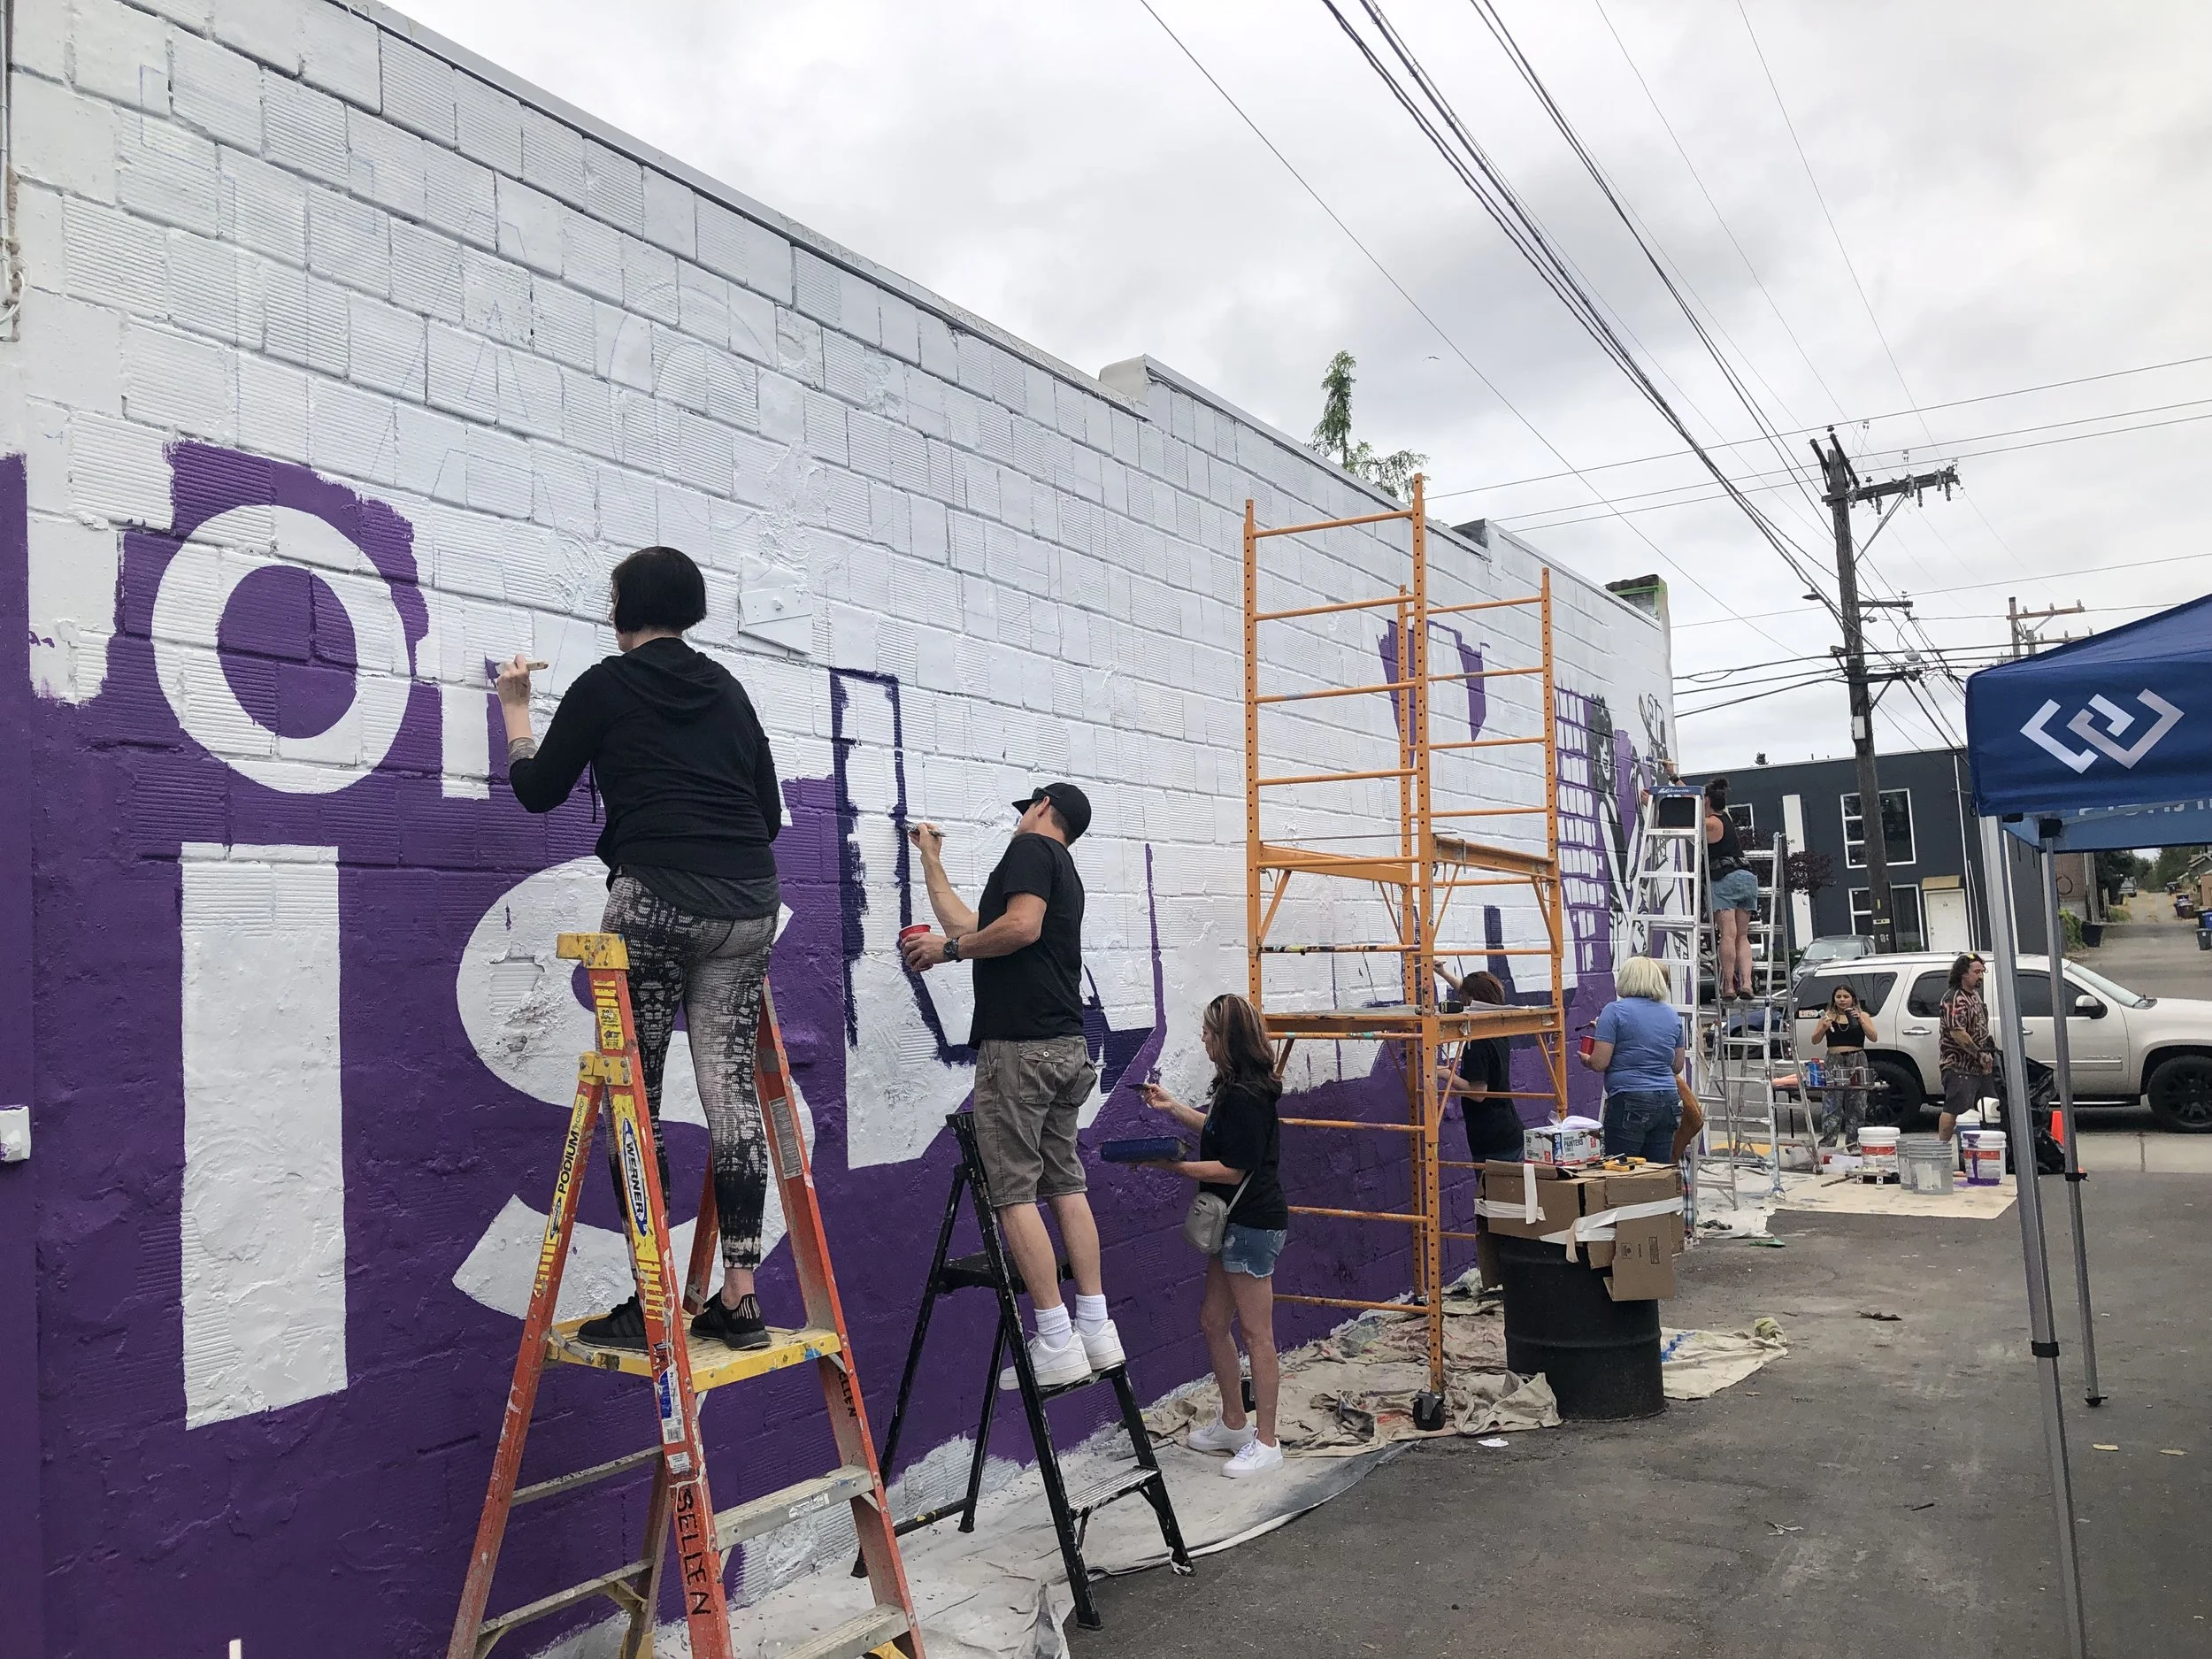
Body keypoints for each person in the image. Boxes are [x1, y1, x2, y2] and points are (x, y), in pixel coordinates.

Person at [496, 546, 783, 1353]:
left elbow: (539, 788)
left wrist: (516, 708)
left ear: (625, 607)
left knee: (637, 1099)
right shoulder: (729, 690)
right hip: (751, 906)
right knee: (731, 1096)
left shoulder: (606, 684)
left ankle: (652, 1299)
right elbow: (764, 815)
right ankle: (742, 1299)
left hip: (656, 901)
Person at [902, 784, 1123, 1390]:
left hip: (1020, 1050)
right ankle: (1096, 1329)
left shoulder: (1031, 848)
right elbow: (979, 927)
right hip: (1064, 1047)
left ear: (1043, 806)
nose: (1021, 817)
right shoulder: (1064, 869)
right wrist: (932, 861)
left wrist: (947, 951)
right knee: (1065, 1182)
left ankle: (1055, 1337)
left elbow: (1015, 928)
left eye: (1026, 807)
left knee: (1013, 1193)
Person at [1137, 994, 1289, 1480]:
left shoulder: (1245, 1095)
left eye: (1208, 1030)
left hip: (1251, 1222)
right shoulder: (1236, 1089)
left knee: (1255, 1333)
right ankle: (1233, 1422)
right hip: (1236, 1222)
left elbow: (1232, 1166)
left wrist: (1172, 1166)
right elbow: (1222, 1133)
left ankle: (1267, 1441)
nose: (1202, 1037)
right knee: (1212, 1321)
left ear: (1227, 1038)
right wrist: (1175, 1108)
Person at [1580, 956, 1688, 1161]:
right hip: (1668, 1100)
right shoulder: (1671, 1014)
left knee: (1621, 1173)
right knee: (1656, 1175)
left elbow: (1599, 1062)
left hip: (1629, 1097)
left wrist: (1586, 1059)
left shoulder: (1613, 1011)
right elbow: (1677, 1065)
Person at [1438, 969, 1523, 1164]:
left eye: (1463, 1000)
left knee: (1495, 1194)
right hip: (1506, 1131)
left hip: (1493, 1140)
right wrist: (1443, 973)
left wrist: (1445, 1074)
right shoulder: (1496, 1025)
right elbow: (1474, 994)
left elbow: (1478, 1093)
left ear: (1470, 1000)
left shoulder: (1477, 1041)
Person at [1704, 779, 1757, 1001]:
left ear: (1706, 801)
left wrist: (1655, 805)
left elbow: (1684, 818)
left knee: (1727, 934)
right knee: (1742, 936)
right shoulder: (1727, 818)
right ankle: (1747, 983)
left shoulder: (1710, 823)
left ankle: (1728, 986)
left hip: (1725, 878)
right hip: (1746, 878)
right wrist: (1674, 778)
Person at [1808, 984, 1878, 1148]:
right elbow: (1815, 1040)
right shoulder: (1828, 1016)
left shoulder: (1862, 1015)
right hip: (1834, 1059)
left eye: (1845, 996)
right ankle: (1828, 1142)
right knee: (1832, 1103)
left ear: (1853, 998)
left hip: (1857, 1058)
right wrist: (1823, 1028)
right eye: (1838, 997)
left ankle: (1854, 1143)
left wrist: (1860, 1020)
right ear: (1834, 999)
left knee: (1857, 1104)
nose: (1842, 1000)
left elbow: (1873, 1037)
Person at [1938, 953, 1994, 1144]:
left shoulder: (1974, 995)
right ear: (1963, 974)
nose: (1980, 976)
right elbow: (1957, 1032)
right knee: (1954, 1108)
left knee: (1989, 1108)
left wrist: (1987, 1051)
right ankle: (1942, 1148)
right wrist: (1977, 1053)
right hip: (1958, 1065)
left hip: (1979, 1066)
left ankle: (1983, 1147)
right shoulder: (1954, 998)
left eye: (1982, 971)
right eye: (1976, 972)